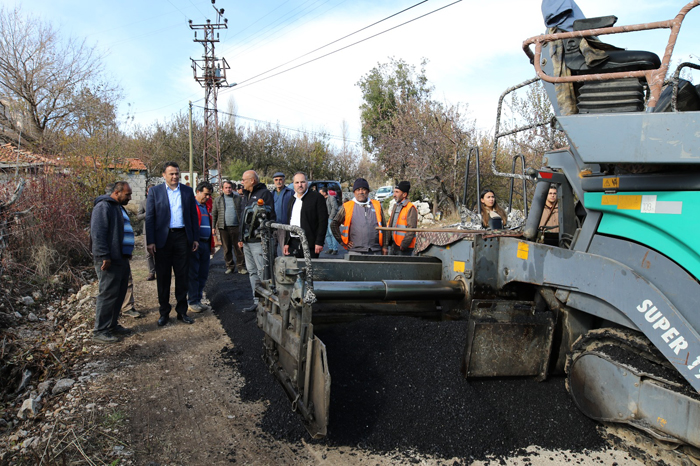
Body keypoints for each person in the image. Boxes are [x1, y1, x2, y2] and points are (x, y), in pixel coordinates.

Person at [146, 161, 199, 327]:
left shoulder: (187, 191)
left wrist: (194, 238)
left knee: (182, 276)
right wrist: (150, 241)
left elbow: (193, 216)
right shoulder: (155, 192)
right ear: (164, 175)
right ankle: (164, 313)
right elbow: (150, 218)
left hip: (182, 237)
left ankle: (182, 312)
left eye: (177, 173)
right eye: (171, 174)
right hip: (163, 239)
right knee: (163, 277)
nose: (175, 176)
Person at [90, 181, 134, 343]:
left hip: (120, 258)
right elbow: (98, 233)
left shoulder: (117, 207)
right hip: (108, 260)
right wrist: (104, 256)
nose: (130, 197)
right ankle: (100, 330)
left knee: (119, 293)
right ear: (116, 193)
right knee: (108, 294)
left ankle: (112, 325)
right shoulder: (103, 207)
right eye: (127, 194)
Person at [238, 170, 276, 312]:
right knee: (252, 271)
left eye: (244, 180)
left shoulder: (264, 194)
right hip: (247, 241)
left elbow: (271, 216)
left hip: (258, 242)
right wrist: (240, 237)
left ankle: (267, 302)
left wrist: (264, 236)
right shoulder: (246, 195)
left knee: (262, 272)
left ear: (252, 180)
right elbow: (243, 217)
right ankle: (257, 301)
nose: (242, 182)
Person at [331, 178, 388, 255]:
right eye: (358, 189)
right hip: (355, 251)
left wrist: (385, 246)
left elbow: (384, 227)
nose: (361, 192)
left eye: (364, 189)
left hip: (375, 250)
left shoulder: (376, 205)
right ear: (354, 192)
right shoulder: (347, 206)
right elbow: (334, 224)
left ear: (368, 191)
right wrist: (342, 242)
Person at [283, 172, 328, 259]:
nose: (300, 185)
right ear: (293, 184)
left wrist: (319, 242)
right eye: (297, 182)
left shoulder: (317, 198)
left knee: (309, 271)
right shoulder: (292, 199)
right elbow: (288, 222)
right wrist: (286, 243)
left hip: (310, 244)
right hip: (293, 243)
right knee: (294, 271)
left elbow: (323, 221)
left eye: (302, 182)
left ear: (307, 183)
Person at [188, 181, 214, 313]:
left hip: (205, 244)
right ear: (197, 192)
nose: (208, 197)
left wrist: (212, 245)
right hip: (195, 245)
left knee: (203, 274)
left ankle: (197, 299)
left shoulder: (206, 207)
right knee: (193, 273)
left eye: (209, 195)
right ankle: (192, 301)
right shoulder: (191, 205)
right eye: (206, 194)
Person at [212, 180, 246, 274]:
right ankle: (230, 266)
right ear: (222, 189)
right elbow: (214, 214)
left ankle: (241, 267)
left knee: (239, 248)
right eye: (226, 188)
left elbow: (242, 212)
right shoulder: (218, 200)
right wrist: (213, 226)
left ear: (232, 188)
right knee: (226, 249)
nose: (228, 189)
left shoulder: (238, 198)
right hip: (224, 228)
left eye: (229, 188)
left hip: (237, 227)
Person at [388, 181, 417, 256]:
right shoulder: (396, 206)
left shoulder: (410, 208)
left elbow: (411, 229)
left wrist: (404, 245)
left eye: (397, 192)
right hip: (393, 245)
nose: (394, 195)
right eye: (394, 192)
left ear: (404, 194)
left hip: (403, 248)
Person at [272, 171, 294, 257]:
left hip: (284, 226)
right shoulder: (271, 193)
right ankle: (273, 269)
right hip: (273, 226)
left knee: (285, 251)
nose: (278, 181)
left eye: (280, 179)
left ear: (284, 180)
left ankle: (285, 269)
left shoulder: (290, 192)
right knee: (272, 251)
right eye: (276, 180)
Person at [319, 188, 338, 255]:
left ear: (324, 193)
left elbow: (335, 207)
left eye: (320, 192)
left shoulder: (331, 198)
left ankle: (335, 249)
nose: (319, 193)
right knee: (327, 234)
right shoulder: (320, 199)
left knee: (332, 233)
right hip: (323, 218)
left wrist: (331, 217)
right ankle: (330, 248)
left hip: (330, 218)